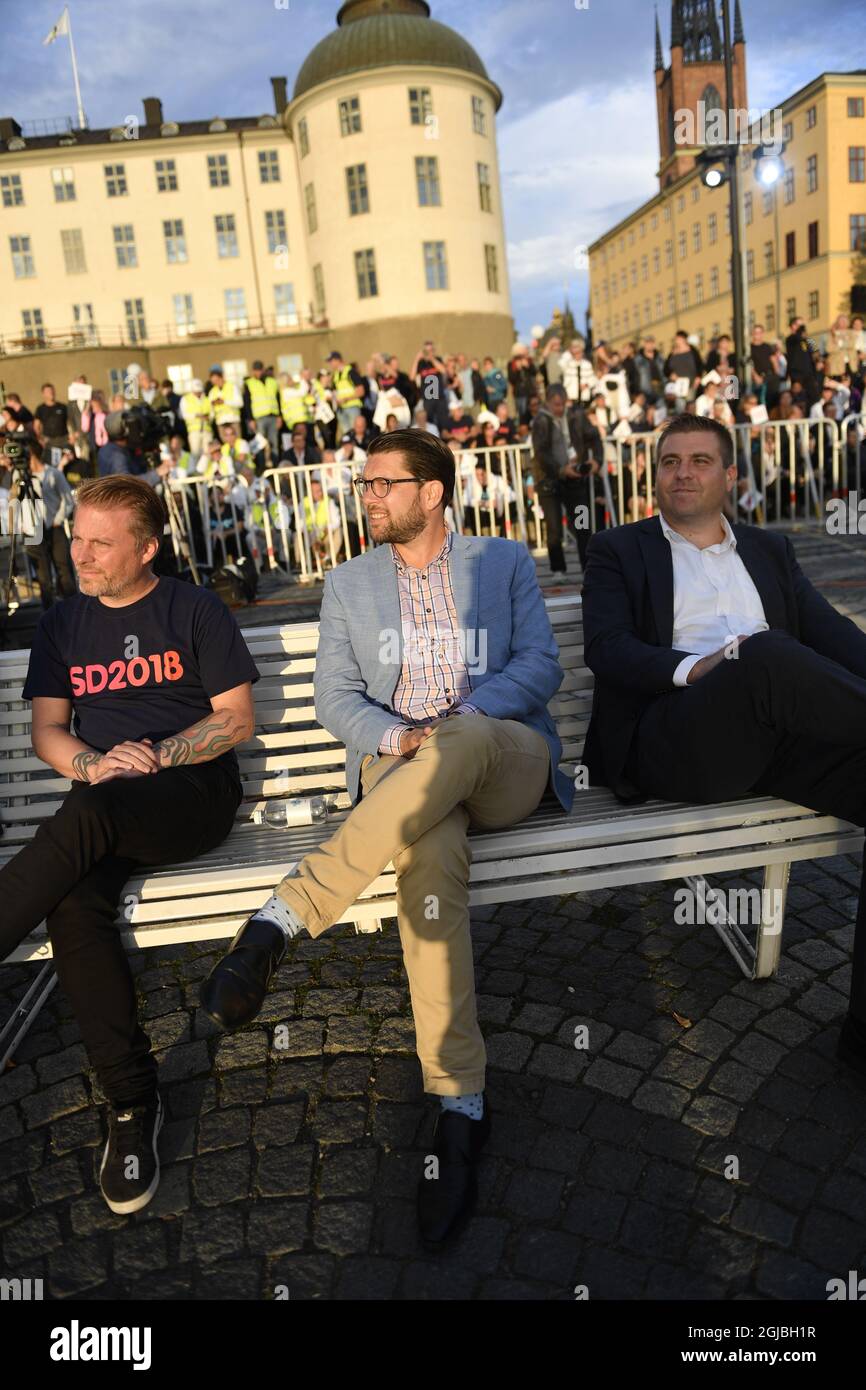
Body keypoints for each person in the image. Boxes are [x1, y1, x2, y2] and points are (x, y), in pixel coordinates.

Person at [199, 428, 574, 1247]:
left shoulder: (502, 562)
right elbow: (335, 694)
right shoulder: (350, 582)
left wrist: (452, 729)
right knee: (429, 865)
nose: (367, 497)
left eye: (381, 484)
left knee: (463, 738)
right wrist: (402, 740)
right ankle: (459, 1107)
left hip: (503, 755)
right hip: (404, 777)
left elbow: (541, 667)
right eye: (364, 486)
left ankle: (281, 920)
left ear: (432, 493)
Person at [0, 475, 260, 1213]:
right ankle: (130, 1103)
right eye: (76, 538)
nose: (79, 554)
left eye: (98, 543)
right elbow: (48, 729)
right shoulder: (61, 625)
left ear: (146, 548)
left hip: (189, 793)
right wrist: (91, 764)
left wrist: (158, 755)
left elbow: (235, 720)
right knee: (72, 904)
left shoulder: (194, 607)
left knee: (90, 816)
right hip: (101, 804)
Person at [581, 412, 866, 1081]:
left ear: (731, 475)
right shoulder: (618, 549)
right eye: (670, 460)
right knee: (761, 652)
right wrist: (696, 668)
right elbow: (608, 648)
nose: (682, 472)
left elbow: (835, 637)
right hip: (678, 734)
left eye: (699, 460)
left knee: (773, 657)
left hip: (783, 740)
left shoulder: (770, 550)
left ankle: (863, 1034)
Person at [9, 433, 76, 609]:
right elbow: (15, 501)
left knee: (64, 572)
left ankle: (74, 609)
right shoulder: (18, 475)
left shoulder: (52, 473)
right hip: (33, 531)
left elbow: (68, 499)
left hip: (53, 528)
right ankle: (48, 615)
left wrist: (58, 519)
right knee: (43, 578)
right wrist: (20, 524)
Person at [530, 384, 583, 575]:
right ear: (548, 403)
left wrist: (588, 459)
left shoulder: (573, 416)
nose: (560, 408)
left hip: (573, 478)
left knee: (581, 523)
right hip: (549, 481)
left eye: (563, 404)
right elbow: (541, 452)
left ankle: (588, 566)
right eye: (556, 404)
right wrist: (561, 469)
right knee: (554, 528)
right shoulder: (541, 421)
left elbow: (587, 439)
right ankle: (558, 569)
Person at [243, 360, 282, 459]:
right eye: (256, 370)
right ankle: (262, 466)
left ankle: (275, 465)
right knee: (260, 444)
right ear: (253, 371)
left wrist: (279, 416)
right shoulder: (249, 383)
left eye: (260, 370)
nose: (258, 372)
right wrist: (251, 419)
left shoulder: (272, 382)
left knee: (274, 444)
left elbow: (278, 399)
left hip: (273, 416)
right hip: (259, 418)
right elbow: (247, 403)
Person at [325, 350, 365, 437]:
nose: (330, 364)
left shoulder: (351, 372)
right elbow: (336, 392)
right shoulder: (335, 375)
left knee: (356, 433)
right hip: (341, 410)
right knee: (347, 436)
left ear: (337, 360)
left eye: (331, 361)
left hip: (352, 407)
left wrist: (346, 399)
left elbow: (361, 391)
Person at [34, 383, 71, 463]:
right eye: (48, 391)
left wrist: (72, 437)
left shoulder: (63, 407)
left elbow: (70, 423)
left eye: (52, 390)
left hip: (64, 441)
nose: (51, 393)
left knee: (68, 462)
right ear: (43, 394)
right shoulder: (40, 409)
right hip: (50, 443)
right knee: (55, 464)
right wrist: (40, 439)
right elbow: (36, 427)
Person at [559, 338, 597, 408]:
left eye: (579, 352)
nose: (577, 355)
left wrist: (586, 385)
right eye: (575, 353)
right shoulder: (568, 363)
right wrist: (569, 351)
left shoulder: (587, 364)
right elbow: (561, 363)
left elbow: (593, 380)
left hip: (584, 398)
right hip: (571, 398)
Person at [180, 379, 213, 459]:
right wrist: (196, 416)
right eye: (196, 391)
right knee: (195, 454)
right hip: (194, 431)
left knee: (208, 454)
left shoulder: (207, 399)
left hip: (207, 430)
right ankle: (196, 471)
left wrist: (208, 417)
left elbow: (212, 413)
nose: (198, 393)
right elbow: (183, 414)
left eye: (199, 391)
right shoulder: (185, 399)